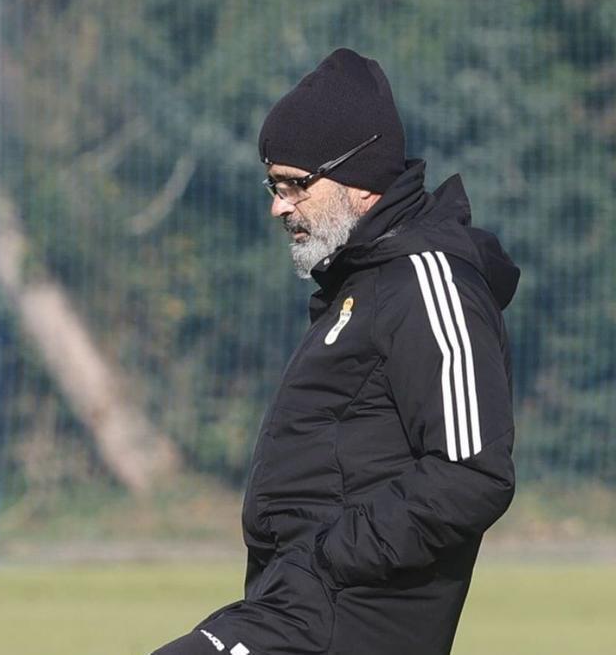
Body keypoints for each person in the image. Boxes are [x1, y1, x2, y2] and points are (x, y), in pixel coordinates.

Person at [152, 48, 519, 655]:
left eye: (296, 184)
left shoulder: (428, 282)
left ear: (361, 178)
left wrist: (328, 558)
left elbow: (472, 472)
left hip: (338, 620)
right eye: (273, 185)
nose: (278, 206)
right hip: (294, 606)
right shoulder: (360, 283)